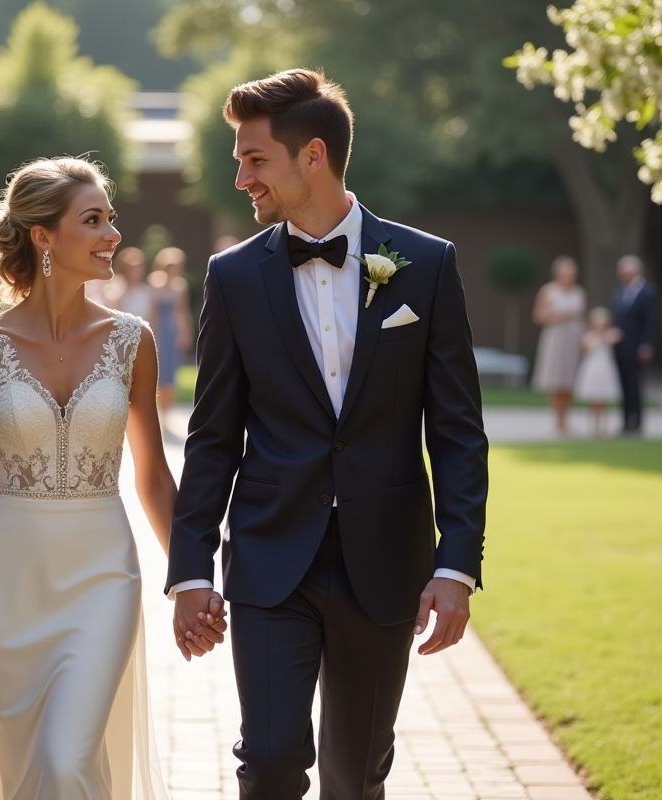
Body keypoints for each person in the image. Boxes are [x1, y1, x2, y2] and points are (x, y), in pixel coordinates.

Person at [167, 69, 488, 799]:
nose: (241, 175)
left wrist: (455, 565)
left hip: (386, 563)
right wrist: (191, 571)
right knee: (272, 757)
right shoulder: (233, 276)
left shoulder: (427, 266)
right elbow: (212, 435)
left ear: (312, 155)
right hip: (271, 558)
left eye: (255, 159)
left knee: (357, 772)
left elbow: (459, 432)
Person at [0, 157, 223, 799]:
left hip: (103, 574)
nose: (112, 234)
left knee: (66, 760)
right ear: (43, 236)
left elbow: (154, 480)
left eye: (110, 218)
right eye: (93, 220)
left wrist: (189, 579)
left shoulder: (132, 341)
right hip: (9, 580)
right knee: (22, 772)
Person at [530, 256, 587, 434]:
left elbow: (583, 318)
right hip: (555, 339)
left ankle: (567, 418)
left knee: (570, 379)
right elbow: (538, 316)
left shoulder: (579, 292)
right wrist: (559, 315)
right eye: (566, 273)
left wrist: (585, 339)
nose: (569, 276)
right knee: (556, 379)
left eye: (572, 273)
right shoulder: (548, 291)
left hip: (573, 339)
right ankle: (558, 420)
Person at [611, 254, 657, 434]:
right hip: (620, 346)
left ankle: (636, 422)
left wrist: (646, 344)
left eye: (627, 272)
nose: (624, 276)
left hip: (637, 347)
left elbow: (650, 321)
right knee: (623, 386)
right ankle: (624, 421)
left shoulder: (648, 292)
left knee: (635, 385)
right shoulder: (620, 291)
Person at [148, 246, 195, 422]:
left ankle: (166, 415)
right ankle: (157, 413)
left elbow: (182, 312)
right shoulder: (153, 283)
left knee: (171, 374)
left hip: (172, 332)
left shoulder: (181, 286)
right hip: (158, 331)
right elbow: (152, 312)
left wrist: (185, 334)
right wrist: (151, 334)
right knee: (156, 373)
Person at [574, 307, 623, 437]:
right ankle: (593, 425)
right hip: (592, 369)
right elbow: (584, 351)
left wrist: (604, 336)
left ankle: (603, 425)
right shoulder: (588, 337)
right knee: (593, 398)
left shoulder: (610, 335)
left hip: (605, 369)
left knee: (604, 398)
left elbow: (619, 336)